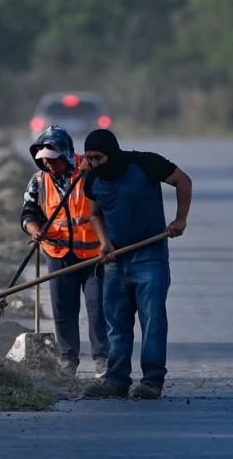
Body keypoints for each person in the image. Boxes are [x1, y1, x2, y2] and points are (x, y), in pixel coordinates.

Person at [80, 129, 192, 400]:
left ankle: (152, 381)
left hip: (150, 257)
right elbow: (94, 215)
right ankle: (116, 380)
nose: (94, 163)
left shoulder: (145, 163)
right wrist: (104, 242)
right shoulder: (91, 179)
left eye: (99, 157)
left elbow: (183, 181)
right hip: (115, 261)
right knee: (116, 322)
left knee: (152, 319)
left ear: (113, 153)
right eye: (90, 158)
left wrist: (180, 220)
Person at [21, 125, 109, 377]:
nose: (47, 165)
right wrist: (34, 229)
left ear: (66, 154)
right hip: (58, 254)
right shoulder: (38, 181)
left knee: (97, 306)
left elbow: (110, 203)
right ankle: (68, 361)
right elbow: (28, 212)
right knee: (63, 309)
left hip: (94, 256)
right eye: (42, 161)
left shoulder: (90, 171)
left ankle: (102, 360)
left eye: (52, 160)